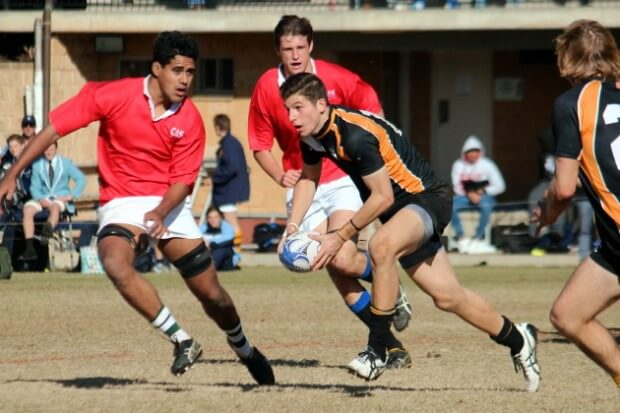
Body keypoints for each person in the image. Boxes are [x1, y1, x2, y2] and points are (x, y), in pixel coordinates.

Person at [0, 31, 275, 385]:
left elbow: (182, 182)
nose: (185, 80)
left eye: (190, 72)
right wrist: (12, 174)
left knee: (212, 294)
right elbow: (53, 131)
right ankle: (183, 340)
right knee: (114, 261)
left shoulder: (189, 118)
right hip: (122, 201)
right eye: (177, 70)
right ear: (156, 68)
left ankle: (244, 348)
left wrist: (160, 213)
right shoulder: (113, 95)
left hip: (170, 204)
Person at [281, 72, 540, 391]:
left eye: (297, 108)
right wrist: (292, 227)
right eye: (287, 109)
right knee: (448, 297)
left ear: (321, 105)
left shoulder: (354, 136)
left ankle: (377, 351)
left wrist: (340, 235)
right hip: (401, 212)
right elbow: (308, 178)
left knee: (380, 247)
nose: (291, 117)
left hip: (427, 199)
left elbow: (383, 196)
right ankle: (520, 340)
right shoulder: (312, 136)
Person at [248, 15, 412, 367]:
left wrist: (372, 160)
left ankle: (388, 295)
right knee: (318, 264)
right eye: (287, 49)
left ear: (311, 46)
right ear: (277, 50)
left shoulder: (336, 78)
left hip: (341, 180)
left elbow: (374, 111)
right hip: (305, 184)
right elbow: (260, 144)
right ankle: (391, 341)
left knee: (337, 256)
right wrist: (280, 175)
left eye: (300, 48)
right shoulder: (265, 86)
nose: (294, 55)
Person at [533, 19, 620, 389]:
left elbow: (564, 188)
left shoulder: (571, 104)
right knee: (569, 313)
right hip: (615, 247)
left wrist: (546, 215)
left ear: (565, 60)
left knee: (570, 317)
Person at [18, 142, 86, 262]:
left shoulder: (66, 163)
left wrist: (71, 196)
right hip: (43, 197)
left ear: (56, 149)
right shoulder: (37, 164)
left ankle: (47, 232)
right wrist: (40, 199)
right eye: (46, 150)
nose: (48, 152)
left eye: (51, 149)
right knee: (28, 209)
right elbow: (34, 186)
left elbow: (81, 179)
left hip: (60, 198)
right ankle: (29, 248)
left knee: (55, 207)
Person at [450, 135, 506, 254]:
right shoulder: (458, 165)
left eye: (475, 151)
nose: (472, 154)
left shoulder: (488, 164)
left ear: (480, 152)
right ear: (464, 153)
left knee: (486, 206)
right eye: (470, 151)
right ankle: (461, 237)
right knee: (450, 204)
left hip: (485, 196)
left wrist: (483, 191)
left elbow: (500, 186)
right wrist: (470, 193)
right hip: (464, 196)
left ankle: (478, 238)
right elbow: (456, 185)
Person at [209, 114, 249, 248]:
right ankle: (228, 250)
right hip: (227, 190)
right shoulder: (229, 143)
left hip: (229, 190)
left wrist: (215, 177)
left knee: (231, 221)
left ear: (218, 127)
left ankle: (236, 253)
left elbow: (232, 167)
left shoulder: (229, 144)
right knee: (226, 221)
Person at [200, 206, 241, 271]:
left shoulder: (227, 227)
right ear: (207, 219)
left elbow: (228, 240)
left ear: (221, 217)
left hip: (226, 257)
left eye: (216, 217)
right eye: (210, 217)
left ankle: (209, 267)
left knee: (221, 249)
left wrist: (210, 243)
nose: (213, 220)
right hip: (208, 254)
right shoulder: (203, 227)